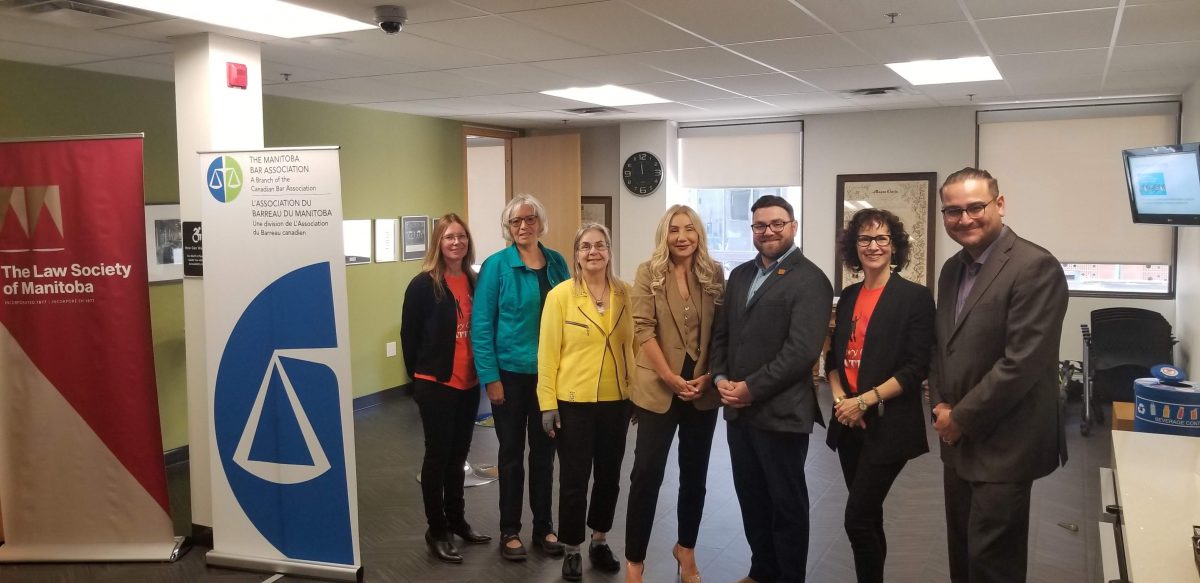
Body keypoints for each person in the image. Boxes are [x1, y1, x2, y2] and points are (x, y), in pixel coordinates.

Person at [929, 168, 1068, 583]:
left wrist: (960, 418)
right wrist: (939, 403)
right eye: (952, 211)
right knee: (962, 552)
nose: (964, 219)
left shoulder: (1035, 266)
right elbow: (942, 346)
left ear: (1000, 205)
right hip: (956, 438)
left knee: (993, 562)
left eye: (975, 207)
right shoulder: (953, 268)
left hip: (1006, 441)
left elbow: (1021, 363)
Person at [710, 195, 833, 583]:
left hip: (782, 414)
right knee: (752, 498)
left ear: (793, 226)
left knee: (787, 505)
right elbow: (723, 335)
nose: (768, 231)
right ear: (752, 231)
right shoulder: (741, 275)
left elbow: (801, 352)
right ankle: (762, 570)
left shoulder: (811, 279)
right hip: (739, 413)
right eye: (760, 225)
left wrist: (751, 388)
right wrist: (720, 378)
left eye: (777, 223)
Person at [825, 209, 934, 583]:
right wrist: (842, 401)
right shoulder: (850, 296)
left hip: (886, 425)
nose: (873, 246)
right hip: (849, 424)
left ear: (894, 245)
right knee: (870, 517)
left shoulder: (914, 298)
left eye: (882, 238)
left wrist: (864, 401)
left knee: (855, 520)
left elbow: (915, 367)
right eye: (865, 239)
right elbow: (833, 359)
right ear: (854, 247)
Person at [624, 205, 725, 583]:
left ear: (699, 234)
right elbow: (642, 328)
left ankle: (686, 550)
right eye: (674, 230)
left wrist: (711, 376)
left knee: (694, 475)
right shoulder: (647, 273)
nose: (682, 237)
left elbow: (722, 332)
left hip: (701, 391)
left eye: (689, 229)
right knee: (646, 474)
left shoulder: (714, 273)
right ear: (663, 235)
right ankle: (635, 561)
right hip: (658, 388)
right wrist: (668, 375)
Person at [472, 194, 570, 561]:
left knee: (545, 455)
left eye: (530, 219)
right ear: (508, 228)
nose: (524, 226)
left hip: (550, 379)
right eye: (516, 222)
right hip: (510, 378)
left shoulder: (558, 262)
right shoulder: (497, 267)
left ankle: (544, 526)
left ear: (540, 222)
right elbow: (482, 326)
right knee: (511, 454)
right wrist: (490, 378)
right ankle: (509, 530)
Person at [537, 223, 635, 582]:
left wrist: (638, 392)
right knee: (575, 478)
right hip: (572, 402)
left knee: (609, 477)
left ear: (609, 250)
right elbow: (547, 355)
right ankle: (573, 547)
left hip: (617, 400)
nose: (593, 252)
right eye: (585, 247)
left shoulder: (628, 293)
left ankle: (599, 539)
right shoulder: (560, 296)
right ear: (576, 254)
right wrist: (547, 403)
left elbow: (636, 348)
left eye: (600, 245)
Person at [400, 213, 492, 563]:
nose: (457, 243)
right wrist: (420, 381)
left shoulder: (473, 280)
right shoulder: (423, 285)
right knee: (437, 459)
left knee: (458, 458)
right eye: (449, 237)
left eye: (462, 237)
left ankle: (457, 521)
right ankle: (436, 530)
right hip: (436, 384)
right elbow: (409, 337)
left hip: (468, 384)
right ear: (438, 243)